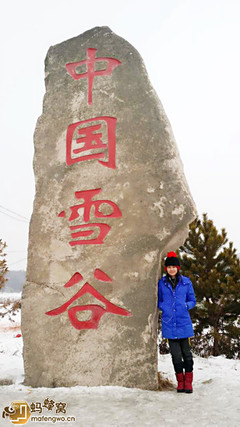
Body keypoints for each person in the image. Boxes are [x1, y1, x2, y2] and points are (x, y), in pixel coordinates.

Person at [158, 251, 196, 393]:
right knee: (176, 356)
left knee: (187, 354)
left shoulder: (186, 282)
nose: (171, 269)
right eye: (169, 267)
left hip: (183, 323)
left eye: (174, 266)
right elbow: (159, 300)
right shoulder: (162, 283)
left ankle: (188, 382)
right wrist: (164, 308)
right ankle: (180, 382)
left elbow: (193, 300)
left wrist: (186, 306)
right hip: (169, 323)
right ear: (166, 269)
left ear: (178, 268)